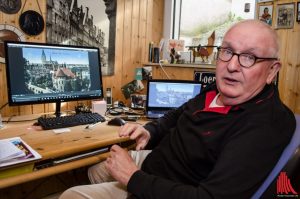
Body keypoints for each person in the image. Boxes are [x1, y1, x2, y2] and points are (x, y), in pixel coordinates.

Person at [59, 19, 296, 199]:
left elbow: (209, 197)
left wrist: (133, 178)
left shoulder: (266, 124)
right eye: (227, 51)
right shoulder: (218, 89)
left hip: (165, 186)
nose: (232, 65)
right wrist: (151, 131)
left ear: (272, 71)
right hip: (156, 162)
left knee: (71, 194)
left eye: (249, 57)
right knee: (97, 168)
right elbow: (177, 114)